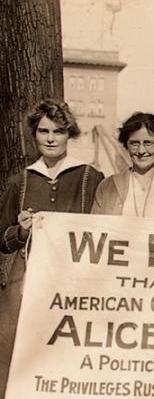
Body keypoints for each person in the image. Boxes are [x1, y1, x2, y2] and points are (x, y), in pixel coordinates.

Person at [0, 99, 104, 397]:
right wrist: (21, 230)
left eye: (58, 132)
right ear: (34, 135)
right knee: (24, 353)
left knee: (67, 358)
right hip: (30, 281)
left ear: (69, 134)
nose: (50, 138)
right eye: (43, 131)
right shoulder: (20, 181)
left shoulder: (88, 177)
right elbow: (2, 239)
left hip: (74, 284)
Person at [91, 113, 154, 220]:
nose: (141, 151)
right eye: (134, 143)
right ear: (126, 146)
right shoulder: (108, 186)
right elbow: (93, 230)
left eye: (148, 143)